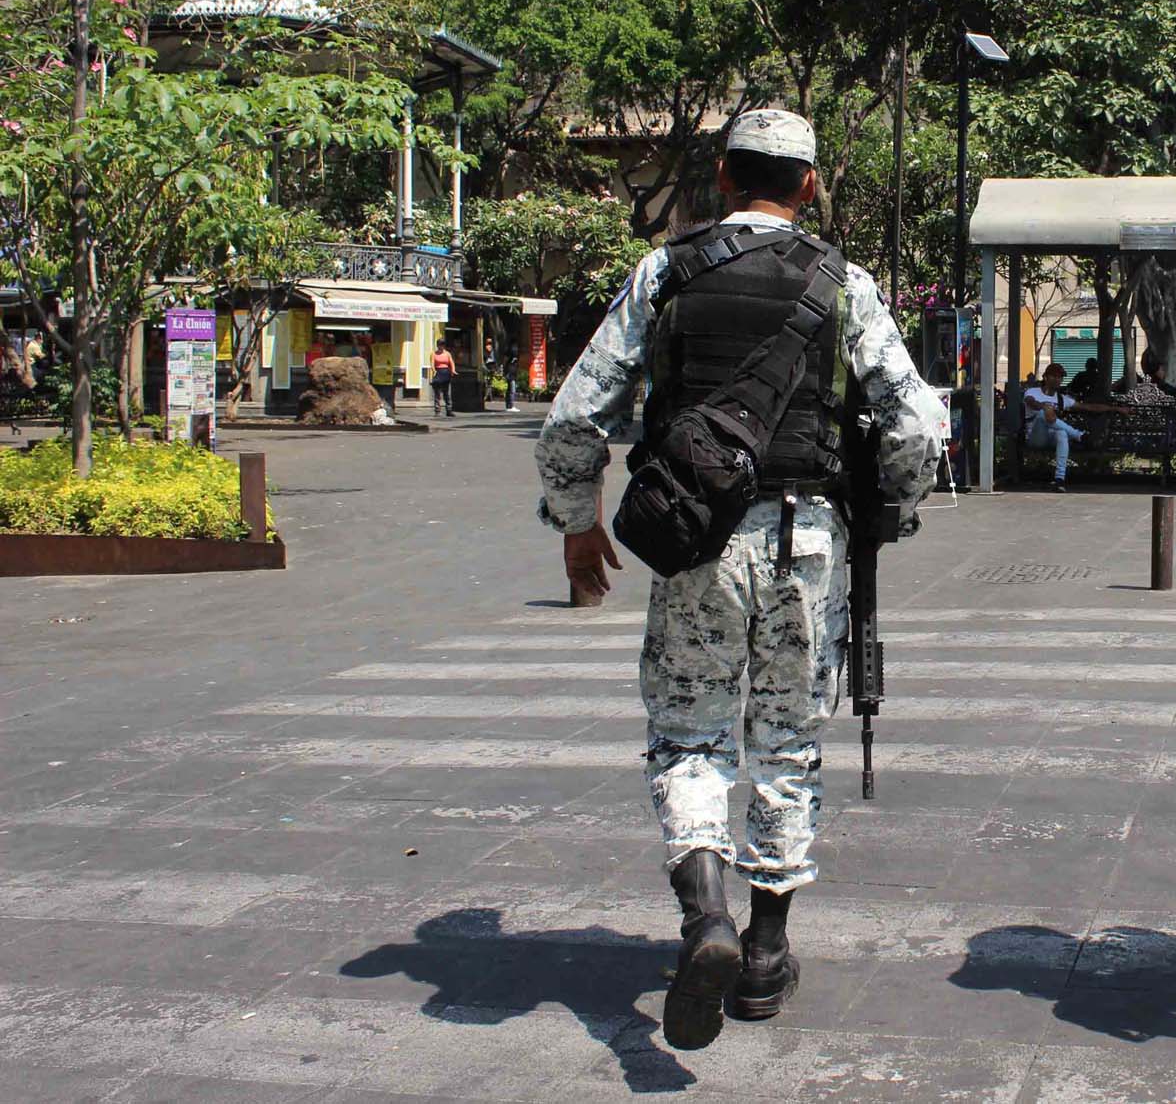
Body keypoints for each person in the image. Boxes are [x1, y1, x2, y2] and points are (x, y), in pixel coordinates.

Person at [534, 108, 946, 1052]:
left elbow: (574, 420)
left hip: (696, 542)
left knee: (688, 732)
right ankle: (764, 957)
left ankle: (704, 915)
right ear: (807, 185)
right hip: (810, 547)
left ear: (722, 176)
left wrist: (578, 524)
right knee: (789, 741)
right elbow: (917, 426)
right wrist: (893, 509)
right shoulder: (846, 284)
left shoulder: (664, 272)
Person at [1021, 362, 1122, 490]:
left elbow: (1089, 407)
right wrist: (1044, 407)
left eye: (1060, 377)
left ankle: (1059, 479)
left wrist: (1116, 408)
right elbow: (1030, 401)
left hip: (1052, 437)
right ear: (1045, 377)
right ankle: (1077, 435)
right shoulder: (1033, 392)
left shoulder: (1062, 399)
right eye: (1054, 376)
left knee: (1062, 434)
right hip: (1035, 437)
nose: (1057, 380)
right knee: (1043, 413)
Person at [430, 340, 456, 417]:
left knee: (447, 393)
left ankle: (449, 410)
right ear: (437, 345)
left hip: (446, 372)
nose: (441, 346)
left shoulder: (447, 354)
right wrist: (434, 370)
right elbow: (432, 363)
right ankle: (437, 410)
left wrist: (453, 370)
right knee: (437, 393)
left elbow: (451, 363)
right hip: (438, 372)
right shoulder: (434, 354)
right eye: (439, 345)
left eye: (442, 345)